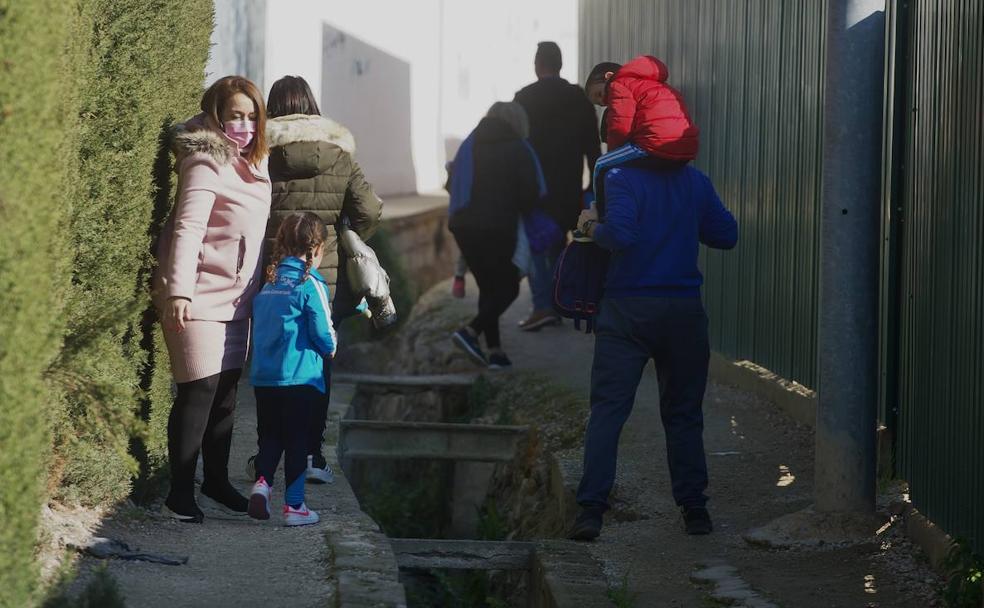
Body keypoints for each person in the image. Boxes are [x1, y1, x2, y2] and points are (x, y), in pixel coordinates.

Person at [568, 161, 738, 541]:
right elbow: (727, 234)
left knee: (608, 411)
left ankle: (591, 511)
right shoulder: (696, 179)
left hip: (627, 310)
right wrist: (681, 223)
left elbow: (621, 235)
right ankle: (695, 509)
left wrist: (590, 225)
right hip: (683, 311)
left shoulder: (619, 177)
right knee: (684, 414)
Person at [249, 75, 382, 484]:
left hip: (271, 277)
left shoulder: (260, 154)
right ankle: (310, 455)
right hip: (326, 281)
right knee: (318, 364)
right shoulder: (339, 154)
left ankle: (267, 455)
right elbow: (371, 210)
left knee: (271, 360)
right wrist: (343, 234)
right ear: (312, 106)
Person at [153, 76, 272, 523]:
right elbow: (188, 227)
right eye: (235, 115)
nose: (243, 124)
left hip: (239, 298)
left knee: (225, 395)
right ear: (215, 115)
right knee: (198, 391)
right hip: (199, 295)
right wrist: (178, 290)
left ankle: (217, 482)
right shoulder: (206, 160)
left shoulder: (254, 163)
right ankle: (179, 495)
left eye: (251, 116)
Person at [248, 212, 336, 527]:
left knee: (271, 436)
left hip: (264, 378)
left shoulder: (268, 282)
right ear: (317, 249)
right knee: (298, 439)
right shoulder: (310, 282)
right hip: (301, 378)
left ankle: (262, 483)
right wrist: (330, 349)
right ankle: (295, 506)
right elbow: (324, 333)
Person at [448, 102, 544, 369]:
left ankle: (496, 353)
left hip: (462, 226)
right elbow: (530, 195)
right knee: (509, 287)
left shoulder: (470, 144)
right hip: (498, 227)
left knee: (489, 288)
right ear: (518, 122)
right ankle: (469, 332)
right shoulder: (518, 148)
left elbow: (451, 182)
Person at [513, 42, 601, 331]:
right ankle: (554, 302)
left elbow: (516, 148)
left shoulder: (523, 98)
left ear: (537, 65)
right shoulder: (578, 98)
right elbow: (593, 149)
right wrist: (592, 189)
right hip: (569, 190)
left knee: (538, 246)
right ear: (560, 65)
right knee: (557, 244)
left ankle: (542, 306)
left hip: (534, 191)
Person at [584, 57, 700, 207]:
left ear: (609, 76)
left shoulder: (618, 84)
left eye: (600, 94)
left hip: (655, 145)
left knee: (601, 165)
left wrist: (612, 156)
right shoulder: (653, 84)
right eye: (600, 103)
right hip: (686, 148)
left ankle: (601, 212)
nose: (605, 102)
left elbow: (620, 128)